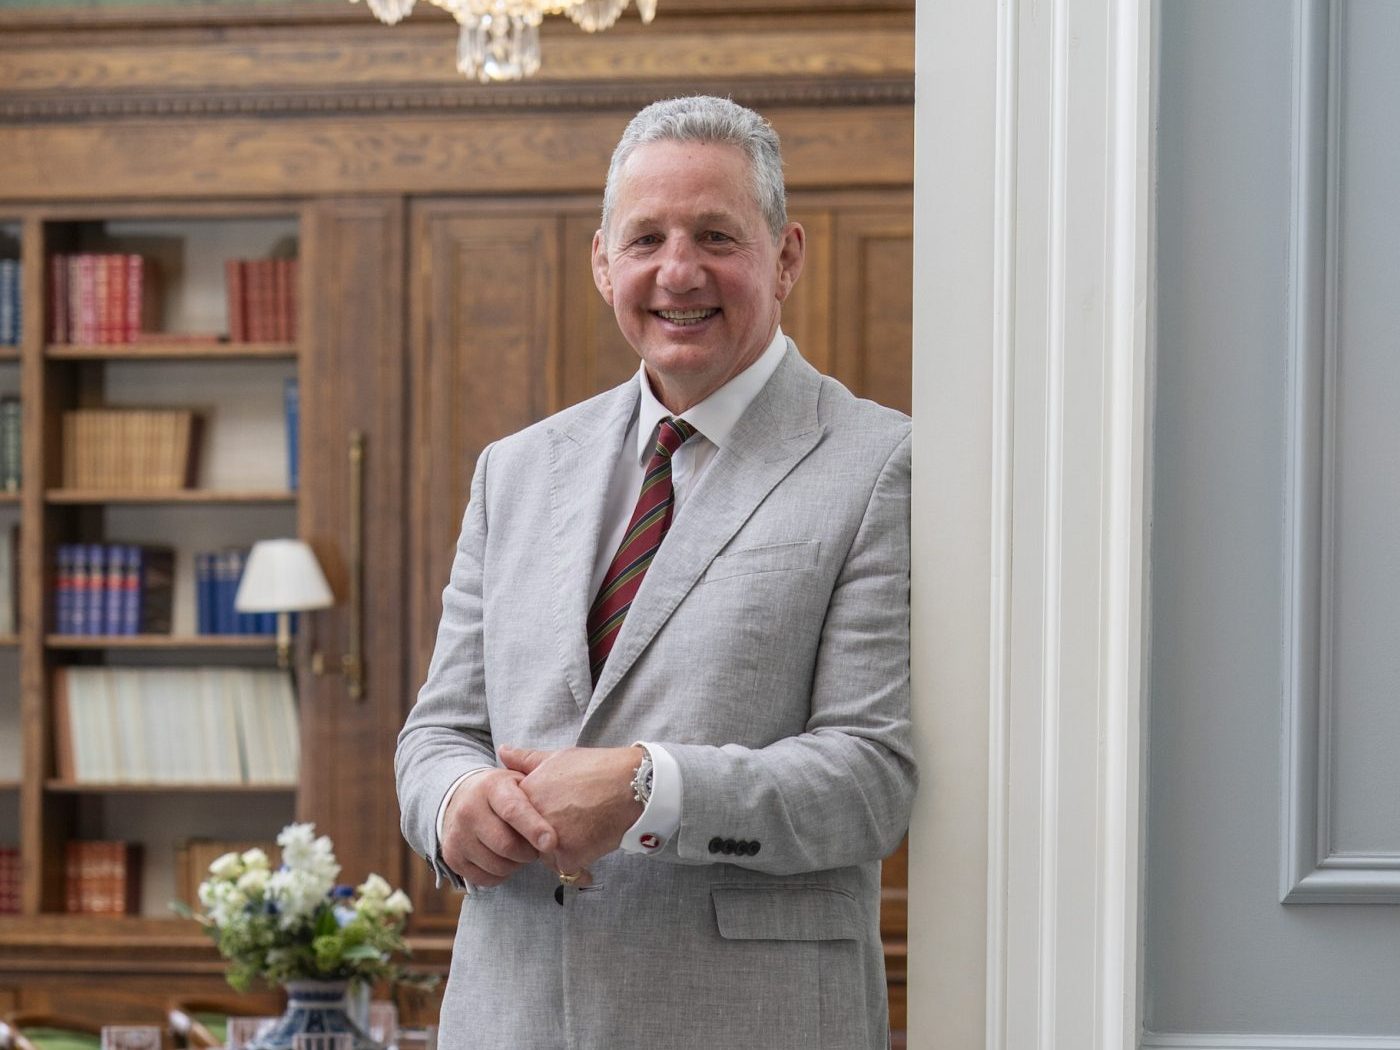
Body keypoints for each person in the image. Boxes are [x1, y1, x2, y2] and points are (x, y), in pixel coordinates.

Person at [396, 95, 915, 1050]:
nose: (679, 271)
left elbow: (871, 777)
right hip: (511, 1017)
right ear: (604, 263)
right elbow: (440, 732)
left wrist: (650, 787)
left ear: (786, 256)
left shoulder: (884, 465)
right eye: (647, 240)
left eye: (716, 235)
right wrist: (454, 804)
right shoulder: (515, 470)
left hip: (745, 1025)